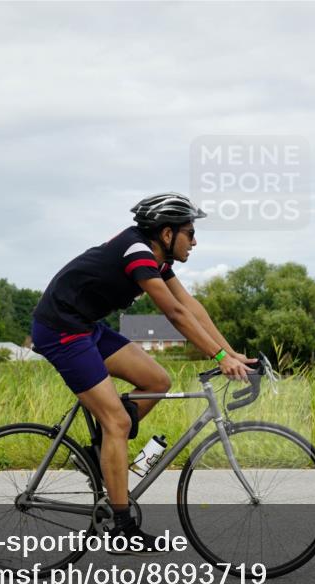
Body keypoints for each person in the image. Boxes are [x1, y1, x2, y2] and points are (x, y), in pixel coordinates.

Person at [31, 192, 254, 554]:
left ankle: (103, 449)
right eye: (190, 232)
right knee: (118, 422)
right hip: (61, 330)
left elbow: (190, 306)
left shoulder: (157, 259)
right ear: (167, 234)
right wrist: (216, 357)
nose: (194, 241)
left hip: (86, 327)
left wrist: (229, 353)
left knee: (157, 381)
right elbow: (175, 315)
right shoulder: (137, 253)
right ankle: (121, 528)